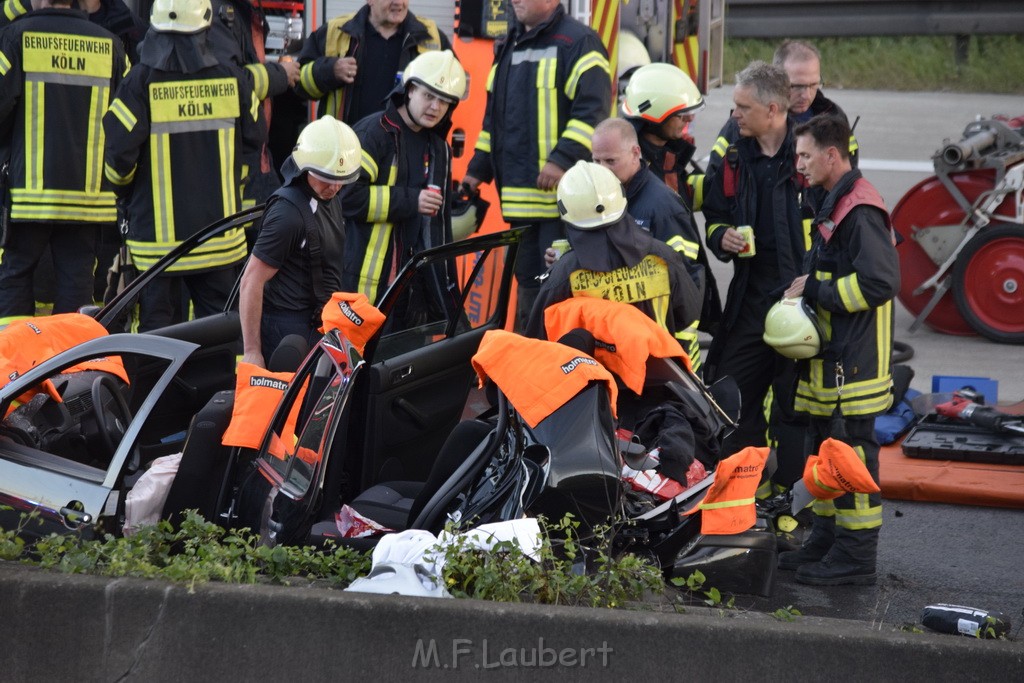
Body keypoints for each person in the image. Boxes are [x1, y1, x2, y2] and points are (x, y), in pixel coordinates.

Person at [775, 114, 899, 586]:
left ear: (833, 155)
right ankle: (825, 541)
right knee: (825, 456)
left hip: (856, 367)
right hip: (833, 365)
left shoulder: (859, 210)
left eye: (805, 155)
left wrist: (816, 290)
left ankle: (855, 558)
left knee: (853, 464)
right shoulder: (832, 201)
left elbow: (880, 282)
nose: (798, 164)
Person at [103, 0, 262, 331]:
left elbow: (118, 155)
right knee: (218, 331)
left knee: (157, 337)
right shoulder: (234, 80)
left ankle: (159, 386)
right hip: (219, 240)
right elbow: (253, 144)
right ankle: (218, 386)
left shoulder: (139, 84)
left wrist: (126, 194)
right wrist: (235, 187)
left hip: (156, 250)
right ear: (207, 27)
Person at [464, 0, 611, 331]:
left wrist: (562, 160)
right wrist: (477, 169)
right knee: (528, 287)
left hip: (563, 205)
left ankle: (560, 357)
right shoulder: (508, 44)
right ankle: (530, 351)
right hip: (520, 202)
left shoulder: (579, 42)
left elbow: (593, 112)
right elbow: (494, 120)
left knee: (560, 288)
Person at [700, 61, 807, 461]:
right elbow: (714, 212)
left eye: (743, 107)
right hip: (750, 300)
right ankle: (745, 492)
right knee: (730, 397)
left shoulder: (806, 153)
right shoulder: (733, 148)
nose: (735, 115)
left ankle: (788, 493)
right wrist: (721, 237)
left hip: (801, 303)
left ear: (773, 111)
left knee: (793, 409)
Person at [0, 0, 127, 323]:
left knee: (15, 274)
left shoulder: (17, 37)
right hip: (89, 199)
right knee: (77, 282)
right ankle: (70, 367)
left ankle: (13, 365)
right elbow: (126, 120)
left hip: (29, 195)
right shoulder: (110, 45)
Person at [524, 161, 702, 348]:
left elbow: (537, 341)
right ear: (621, 197)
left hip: (590, 375)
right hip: (657, 371)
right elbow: (688, 314)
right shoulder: (663, 257)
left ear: (565, 210)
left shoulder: (563, 275)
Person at [341, 49, 466, 304]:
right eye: (428, 95)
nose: (435, 107)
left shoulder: (439, 148)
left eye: (444, 101)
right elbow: (347, 197)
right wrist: (412, 201)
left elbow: (440, 232)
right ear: (409, 90)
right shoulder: (373, 134)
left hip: (412, 290)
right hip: (363, 286)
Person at [240, 116, 362, 367]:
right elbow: (251, 280)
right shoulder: (288, 214)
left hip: (317, 323)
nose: (336, 186)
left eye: (342, 178)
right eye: (327, 176)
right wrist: (253, 351)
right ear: (305, 167)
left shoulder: (329, 197)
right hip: (286, 334)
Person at [586, 118, 706, 371]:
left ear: (635, 153)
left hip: (666, 348)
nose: (602, 170)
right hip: (626, 342)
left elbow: (687, 282)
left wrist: (675, 350)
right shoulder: (606, 197)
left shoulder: (662, 207)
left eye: (611, 161)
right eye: (596, 161)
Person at [707, 40, 857, 180]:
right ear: (776, 79)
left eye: (814, 85)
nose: (806, 95)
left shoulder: (833, 118)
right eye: (796, 86)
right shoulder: (745, 122)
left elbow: (846, 177)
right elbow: (715, 180)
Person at [295, 0, 452, 126]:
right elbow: (299, 81)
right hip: (346, 150)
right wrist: (330, 71)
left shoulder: (432, 37)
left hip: (404, 150)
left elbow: (452, 93)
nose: (399, 3)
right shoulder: (336, 31)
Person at [620, 62, 707, 211]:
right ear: (653, 115)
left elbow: (680, 196)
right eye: (681, 114)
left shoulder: (665, 154)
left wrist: (717, 183)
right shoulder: (632, 169)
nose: (690, 119)